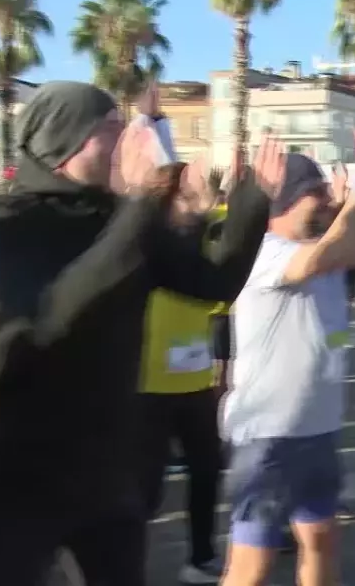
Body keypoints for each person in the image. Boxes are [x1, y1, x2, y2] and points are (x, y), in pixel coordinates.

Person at [0, 82, 279, 586]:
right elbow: (55, 314)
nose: (131, 143)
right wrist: (143, 203)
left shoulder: (123, 217)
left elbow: (212, 283)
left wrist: (255, 199)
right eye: (111, 131)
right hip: (20, 469)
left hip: (108, 468)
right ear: (64, 140)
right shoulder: (4, 222)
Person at [220, 111, 355, 586]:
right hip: (269, 436)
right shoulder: (265, 253)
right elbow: (325, 254)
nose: (328, 198)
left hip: (319, 430)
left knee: (323, 539)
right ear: (285, 203)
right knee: (253, 564)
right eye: (317, 193)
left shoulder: (328, 250)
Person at [136, 162, 235, 585]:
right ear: (168, 196)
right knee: (145, 489)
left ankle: (200, 555)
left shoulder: (205, 232)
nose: (201, 201)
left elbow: (239, 220)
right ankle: (120, 566)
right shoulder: (145, 240)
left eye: (203, 193)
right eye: (190, 193)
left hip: (195, 382)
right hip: (146, 386)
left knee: (208, 469)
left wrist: (240, 189)